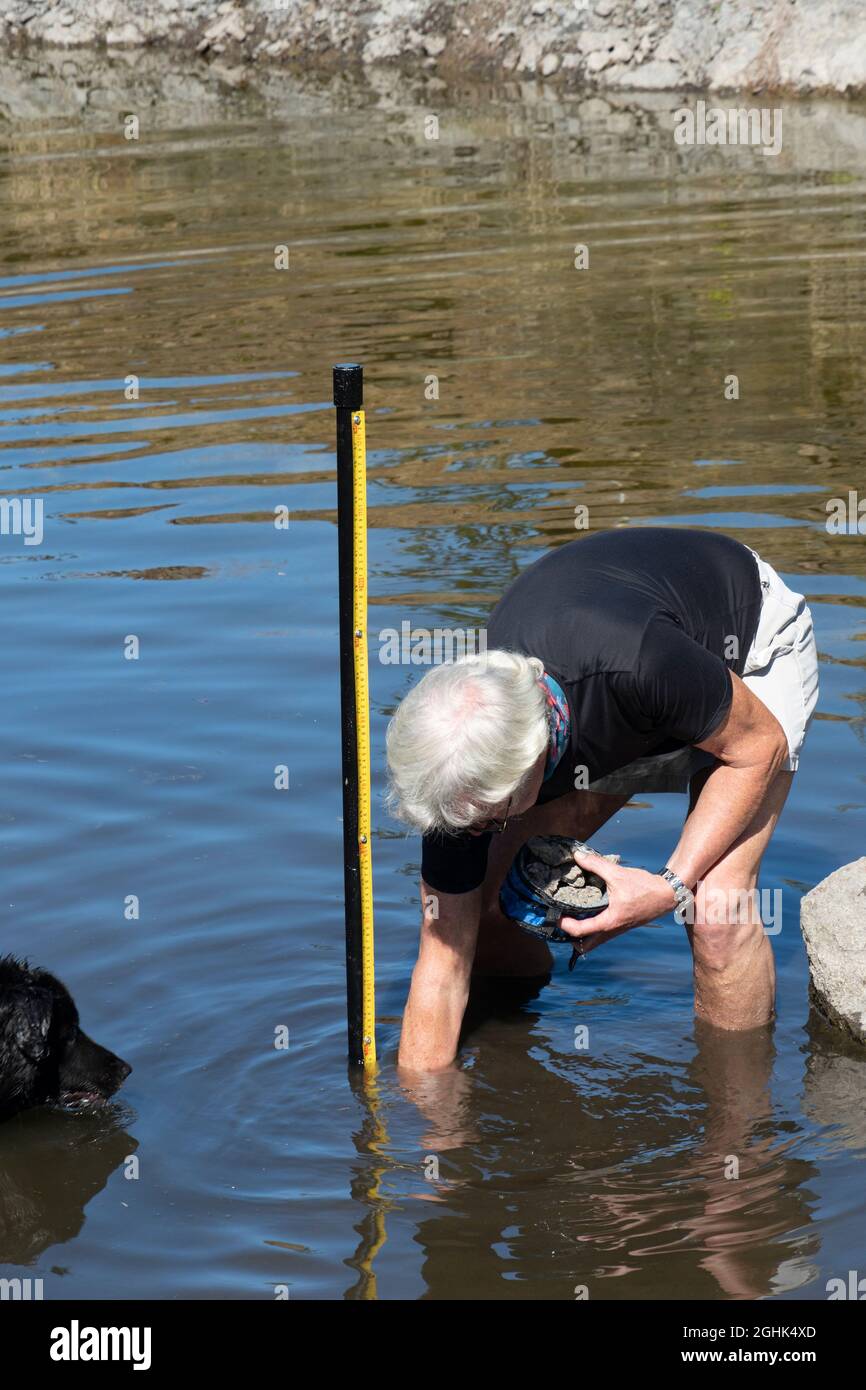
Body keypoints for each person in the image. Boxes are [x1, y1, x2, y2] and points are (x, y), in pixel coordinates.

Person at [385, 527, 819, 1071]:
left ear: (533, 769)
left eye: (489, 821)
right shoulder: (457, 766)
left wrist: (668, 886)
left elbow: (760, 747)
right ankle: (516, 1053)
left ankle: (735, 1133)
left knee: (714, 910)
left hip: (746, 641)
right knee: (491, 905)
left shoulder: (637, 663)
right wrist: (428, 1134)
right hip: (634, 703)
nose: (473, 834)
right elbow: (441, 959)